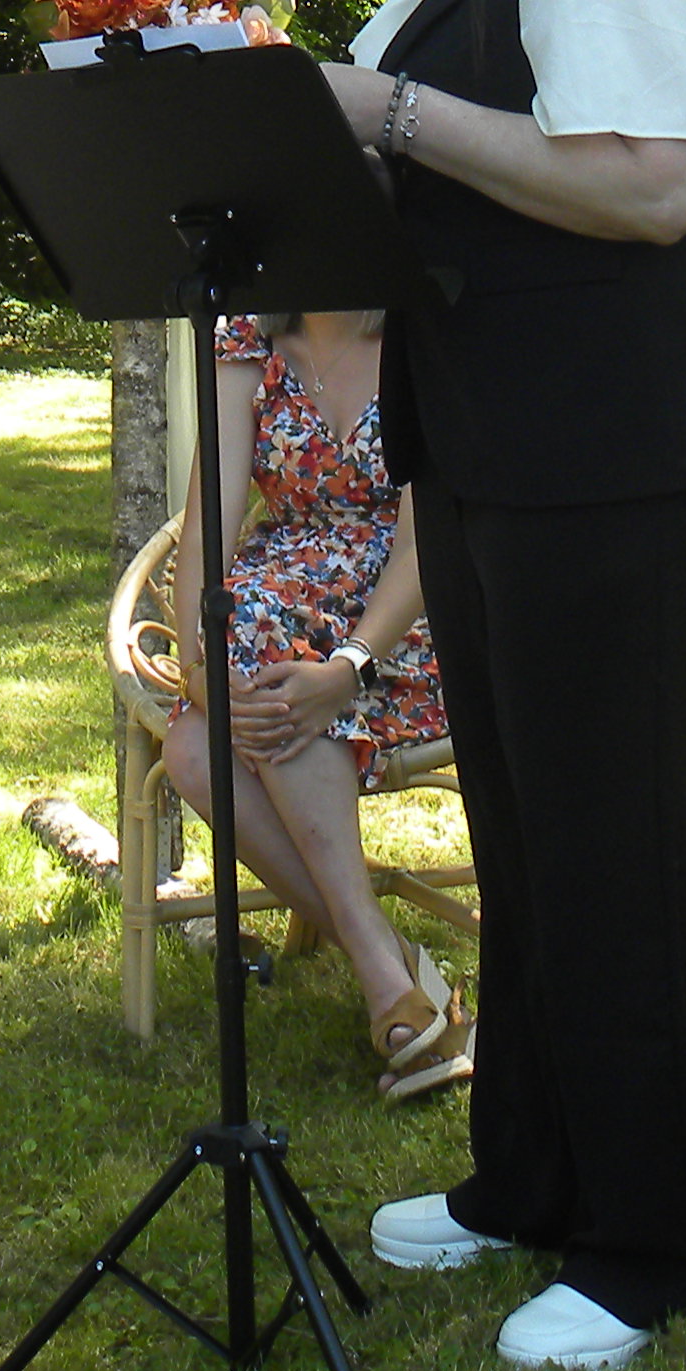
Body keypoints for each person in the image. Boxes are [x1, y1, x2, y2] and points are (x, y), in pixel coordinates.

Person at [308, 0, 686, 1371]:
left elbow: (654, 186)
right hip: (501, 442)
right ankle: (528, 1181)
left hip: (615, 457)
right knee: (522, 835)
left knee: (609, 851)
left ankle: (646, 1252)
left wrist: (389, 115)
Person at [157, 306, 467, 1095]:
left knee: (233, 688)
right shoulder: (248, 338)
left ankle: (389, 978)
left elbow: (427, 539)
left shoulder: (425, 336)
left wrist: (347, 668)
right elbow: (209, 526)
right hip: (278, 612)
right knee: (193, 749)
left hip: (404, 617)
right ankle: (387, 967)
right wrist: (196, 673)